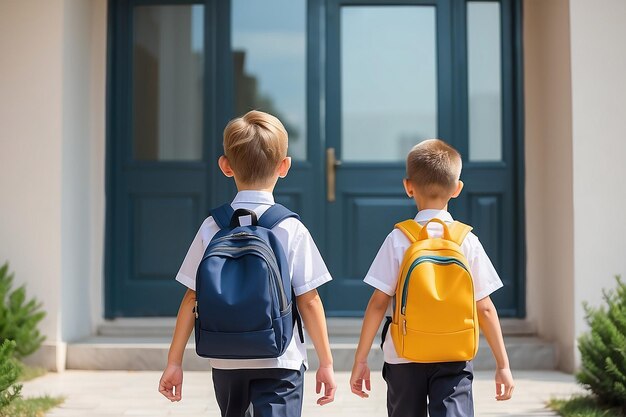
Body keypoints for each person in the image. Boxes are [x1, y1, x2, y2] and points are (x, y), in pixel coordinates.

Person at [158, 110, 337, 417]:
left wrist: (174, 362)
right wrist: (327, 363)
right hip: (280, 359)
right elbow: (309, 299)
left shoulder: (212, 227)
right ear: (285, 166)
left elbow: (191, 296)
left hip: (226, 359)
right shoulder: (290, 228)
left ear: (226, 166)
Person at [349, 139, 514, 417]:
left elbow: (378, 302)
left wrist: (361, 358)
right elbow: (484, 306)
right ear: (457, 189)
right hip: (454, 353)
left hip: (404, 354)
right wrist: (503, 366)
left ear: (408, 186)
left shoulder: (399, 239)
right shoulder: (467, 241)